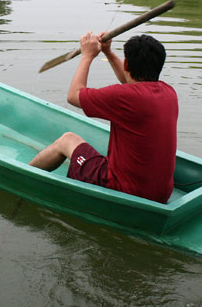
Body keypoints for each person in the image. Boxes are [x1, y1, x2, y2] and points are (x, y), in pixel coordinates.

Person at [28, 31, 178, 203]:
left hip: (125, 191)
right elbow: (131, 82)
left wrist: (87, 56)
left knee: (67, 140)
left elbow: (73, 95)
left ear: (127, 64)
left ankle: (22, 174)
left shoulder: (125, 97)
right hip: (161, 193)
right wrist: (107, 51)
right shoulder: (169, 93)